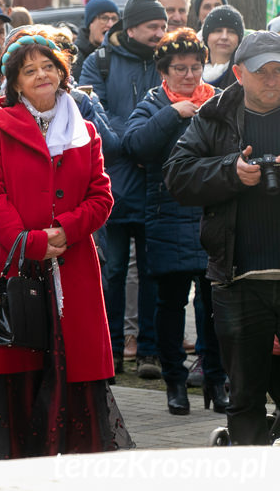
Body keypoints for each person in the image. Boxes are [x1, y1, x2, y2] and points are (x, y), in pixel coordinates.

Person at [0, 26, 131, 461]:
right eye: (29, 70)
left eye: (48, 66)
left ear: (62, 72)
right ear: (14, 81)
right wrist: (29, 242)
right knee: (15, 355)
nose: (41, 76)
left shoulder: (84, 129)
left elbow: (102, 195)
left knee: (68, 360)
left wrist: (66, 230)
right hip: (10, 261)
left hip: (72, 267)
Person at [164, 30, 280, 445]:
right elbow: (177, 177)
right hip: (237, 278)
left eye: (279, 71)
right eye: (261, 72)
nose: (272, 80)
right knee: (245, 394)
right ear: (237, 73)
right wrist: (230, 171)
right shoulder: (212, 118)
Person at [122, 28, 227, 416]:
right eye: (179, 68)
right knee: (169, 304)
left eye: (195, 67)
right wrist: (172, 114)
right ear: (163, 72)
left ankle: (217, 378)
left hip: (212, 217)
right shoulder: (153, 104)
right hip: (166, 218)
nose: (188, 75)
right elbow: (135, 146)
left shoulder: (217, 101)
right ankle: (175, 382)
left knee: (214, 305)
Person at [79, 0, 168, 380]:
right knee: (112, 271)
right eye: (153, 26)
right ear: (131, 28)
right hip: (112, 184)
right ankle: (110, 349)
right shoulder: (98, 62)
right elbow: (91, 114)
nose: (160, 33)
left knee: (152, 272)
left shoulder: (167, 61)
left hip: (156, 183)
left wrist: (143, 138)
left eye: (164, 26)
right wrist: (130, 140)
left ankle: (148, 350)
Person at [73, 0, 119, 81]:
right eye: (104, 18)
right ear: (90, 23)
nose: (110, 24)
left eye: (114, 19)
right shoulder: (75, 57)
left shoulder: (121, 55)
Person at [202, 5, 245, 90]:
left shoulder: (245, 74)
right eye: (218, 31)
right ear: (206, 37)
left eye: (231, 32)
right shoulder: (192, 71)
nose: (224, 37)